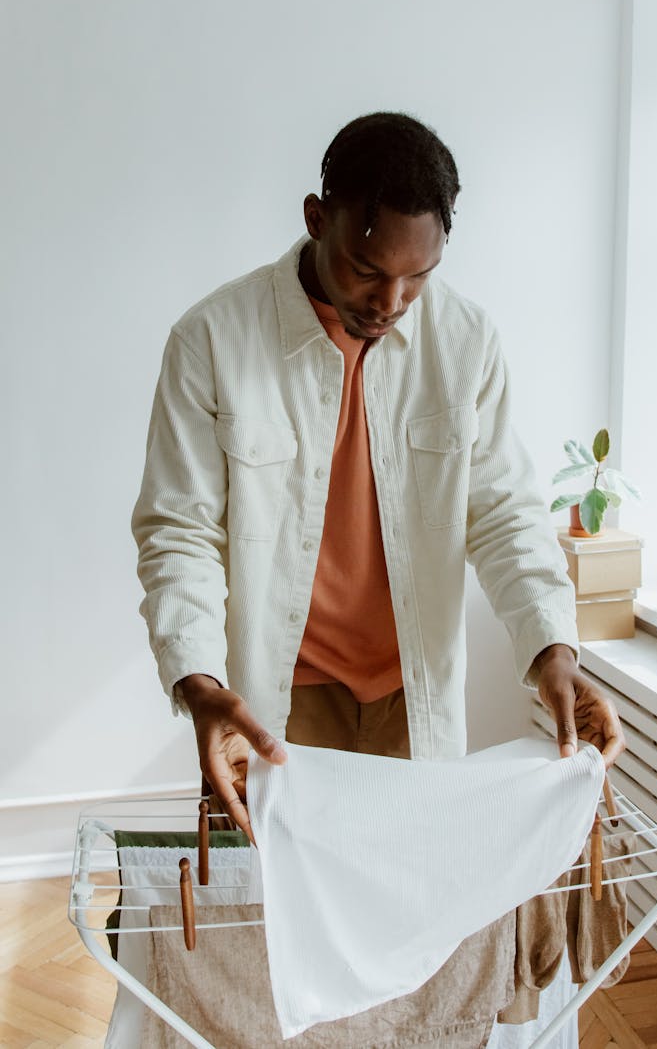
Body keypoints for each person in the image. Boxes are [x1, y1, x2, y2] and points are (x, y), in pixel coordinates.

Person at [131, 111, 625, 842]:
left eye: (417, 278)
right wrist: (200, 686)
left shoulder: (466, 343)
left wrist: (552, 648)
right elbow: (180, 535)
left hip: (413, 701)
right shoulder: (212, 340)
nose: (389, 304)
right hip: (275, 703)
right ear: (317, 218)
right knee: (274, 926)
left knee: (412, 920)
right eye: (367, 271)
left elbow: (505, 515)